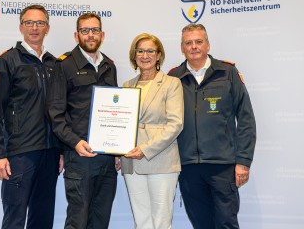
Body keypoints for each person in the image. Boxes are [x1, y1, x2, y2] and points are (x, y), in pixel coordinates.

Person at [168, 23, 256, 228]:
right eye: (188, 43)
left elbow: (246, 119)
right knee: (201, 224)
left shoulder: (227, 72)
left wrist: (243, 161)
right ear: (182, 48)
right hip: (188, 166)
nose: (194, 47)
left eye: (199, 41)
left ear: (208, 44)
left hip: (223, 166)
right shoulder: (173, 78)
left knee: (226, 223)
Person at [0, 4, 64, 229]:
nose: (34, 28)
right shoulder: (7, 61)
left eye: (40, 23)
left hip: (49, 154)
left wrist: (59, 150)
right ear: (21, 27)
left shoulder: (54, 64)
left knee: (43, 218)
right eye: (29, 22)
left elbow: (58, 111)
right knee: (15, 219)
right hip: (19, 155)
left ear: (47, 28)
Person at [47, 13, 118, 229]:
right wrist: (75, 143)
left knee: (101, 219)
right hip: (79, 156)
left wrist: (118, 150)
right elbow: (55, 115)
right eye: (85, 30)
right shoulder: (64, 65)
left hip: (106, 158)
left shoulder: (109, 65)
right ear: (76, 35)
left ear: (102, 34)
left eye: (95, 30)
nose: (90, 35)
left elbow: (114, 112)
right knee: (78, 220)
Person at [120, 33, 184, 229]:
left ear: (158, 56)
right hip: (131, 161)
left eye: (150, 51)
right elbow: (122, 124)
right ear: (134, 55)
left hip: (161, 160)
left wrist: (145, 149)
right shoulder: (127, 85)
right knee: (142, 221)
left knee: (161, 222)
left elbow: (176, 124)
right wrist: (116, 150)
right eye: (140, 51)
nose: (145, 55)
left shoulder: (172, 83)